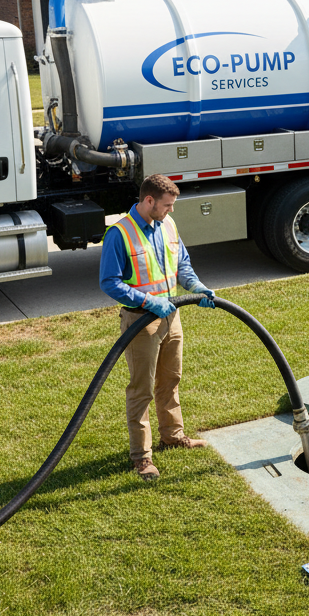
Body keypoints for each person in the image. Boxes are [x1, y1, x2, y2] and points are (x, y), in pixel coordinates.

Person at [99, 174, 217, 480]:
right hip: (141, 322)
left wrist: (197, 286)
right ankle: (142, 457)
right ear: (148, 201)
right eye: (167, 205)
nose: (171, 211)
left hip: (172, 315)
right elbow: (108, 282)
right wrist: (148, 302)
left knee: (170, 380)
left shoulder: (168, 224)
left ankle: (173, 436)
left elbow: (182, 266)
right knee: (141, 390)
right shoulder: (119, 233)